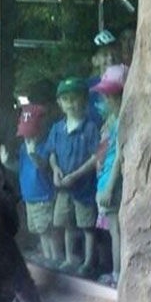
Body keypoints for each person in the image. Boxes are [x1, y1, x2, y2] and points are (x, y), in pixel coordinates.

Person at [45, 77, 100, 277]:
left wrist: (76, 175)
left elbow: (96, 157)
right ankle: (69, 258)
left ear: (84, 100)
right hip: (63, 187)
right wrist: (55, 169)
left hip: (83, 187)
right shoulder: (57, 128)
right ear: (60, 103)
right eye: (66, 99)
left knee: (87, 226)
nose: (71, 104)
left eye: (75, 98)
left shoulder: (90, 127)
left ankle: (88, 261)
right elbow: (51, 153)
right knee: (67, 224)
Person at [0, 104, 62, 265]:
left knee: (49, 230)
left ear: (40, 131)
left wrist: (33, 153)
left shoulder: (45, 147)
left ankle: (55, 258)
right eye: (25, 136)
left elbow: (43, 167)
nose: (28, 140)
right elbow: (20, 168)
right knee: (40, 231)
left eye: (31, 135)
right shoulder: (23, 148)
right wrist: (7, 162)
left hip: (43, 197)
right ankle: (47, 256)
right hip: (30, 198)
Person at [90, 64, 129, 288]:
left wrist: (109, 187)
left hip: (111, 187)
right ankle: (115, 272)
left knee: (116, 231)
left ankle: (118, 275)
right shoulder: (110, 122)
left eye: (110, 95)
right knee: (112, 231)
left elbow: (119, 157)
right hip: (104, 184)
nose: (104, 100)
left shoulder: (121, 122)